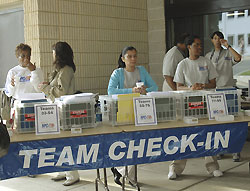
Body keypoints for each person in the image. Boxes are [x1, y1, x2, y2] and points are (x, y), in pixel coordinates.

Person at [168, 35, 223, 180]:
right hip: (187, 105)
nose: (199, 48)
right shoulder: (183, 64)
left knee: (207, 134)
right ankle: (175, 168)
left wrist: (202, 85)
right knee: (183, 136)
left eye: (200, 45)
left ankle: (213, 167)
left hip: (205, 104)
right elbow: (178, 86)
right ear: (189, 47)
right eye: (196, 45)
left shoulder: (207, 62)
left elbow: (213, 83)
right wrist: (190, 88)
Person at [108, 46, 158, 186]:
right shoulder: (117, 73)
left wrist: (144, 89)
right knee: (124, 142)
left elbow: (154, 87)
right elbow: (111, 91)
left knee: (136, 143)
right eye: (129, 56)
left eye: (135, 56)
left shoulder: (141, 70)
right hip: (122, 111)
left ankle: (126, 174)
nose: (133, 59)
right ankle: (122, 171)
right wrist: (131, 90)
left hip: (139, 112)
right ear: (123, 58)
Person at [38, 41, 79, 186]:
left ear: (59, 54)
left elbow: (61, 91)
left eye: (54, 52)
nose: (52, 55)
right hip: (57, 110)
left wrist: (46, 88)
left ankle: (72, 174)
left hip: (64, 111)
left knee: (66, 142)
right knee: (59, 142)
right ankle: (64, 169)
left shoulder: (66, 70)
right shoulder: (60, 70)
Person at [205, 31, 242, 162]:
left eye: (219, 38)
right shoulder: (208, 56)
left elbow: (238, 58)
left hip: (229, 90)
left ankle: (235, 151)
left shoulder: (227, 53)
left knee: (233, 121)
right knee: (219, 122)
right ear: (211, 40)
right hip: (215, 92)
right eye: (214, 38)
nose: (217, 40)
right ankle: (221, 149)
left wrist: (228, 46)